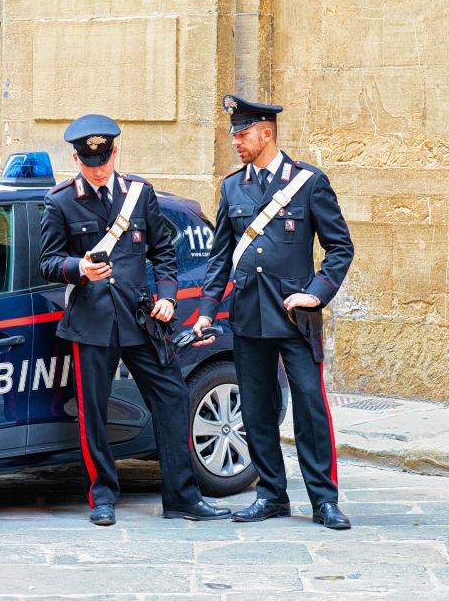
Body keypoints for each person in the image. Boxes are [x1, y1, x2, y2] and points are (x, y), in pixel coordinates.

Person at [40, 114, 231, 526]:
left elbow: (163, 253)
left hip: (142, 318)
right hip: (91, 321)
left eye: (105, 159)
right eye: (91, 163)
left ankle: (182, 497)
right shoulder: (60, 202)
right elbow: (48, 263)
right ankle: (103, 497)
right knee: (93, 410)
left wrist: (167, 298)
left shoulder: (139, 194)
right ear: (76, 159)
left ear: (115, 152)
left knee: (173, 398)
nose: (99, 168)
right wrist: (78, 267)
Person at [192, 95, 355, 530]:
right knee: (257, 409)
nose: (236, 142)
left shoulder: (307, 183)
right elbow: (219, 258)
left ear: (266, 133)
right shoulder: (231, 187)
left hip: (293, 316)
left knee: (309, 407)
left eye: (243, 134)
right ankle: (271, 495)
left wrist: (316, 294)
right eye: (234, 134)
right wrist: (207, 312)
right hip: (247, 314)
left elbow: (340, 247)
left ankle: (324, 501)